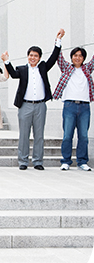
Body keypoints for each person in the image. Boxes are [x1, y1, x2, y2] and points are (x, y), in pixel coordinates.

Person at [5, 29, 63, 170]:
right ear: (28, 56)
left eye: (35, 56)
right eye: (31, 55)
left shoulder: (43, 67)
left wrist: (58, 41)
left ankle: (37, 161)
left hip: (40, 106)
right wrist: (6, 61)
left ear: (39, 58)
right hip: (25, 105)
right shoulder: (23, 69)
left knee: (39, 135)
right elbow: (12, 74)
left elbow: (54, 58)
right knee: (24, 135)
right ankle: (23, 162)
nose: (33, 58)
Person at [53, 39, 94, 171]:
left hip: (84, 107)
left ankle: (82, 161)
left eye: (80, 56)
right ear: (71, 57)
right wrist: (58, 40)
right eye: (75, 55)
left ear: (83, 58)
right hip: (69, 106)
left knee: (83, 136)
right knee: (67, 135)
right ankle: (65, 161)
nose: (77, 58)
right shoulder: (66, 68)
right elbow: (58, 58)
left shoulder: (87, 69)